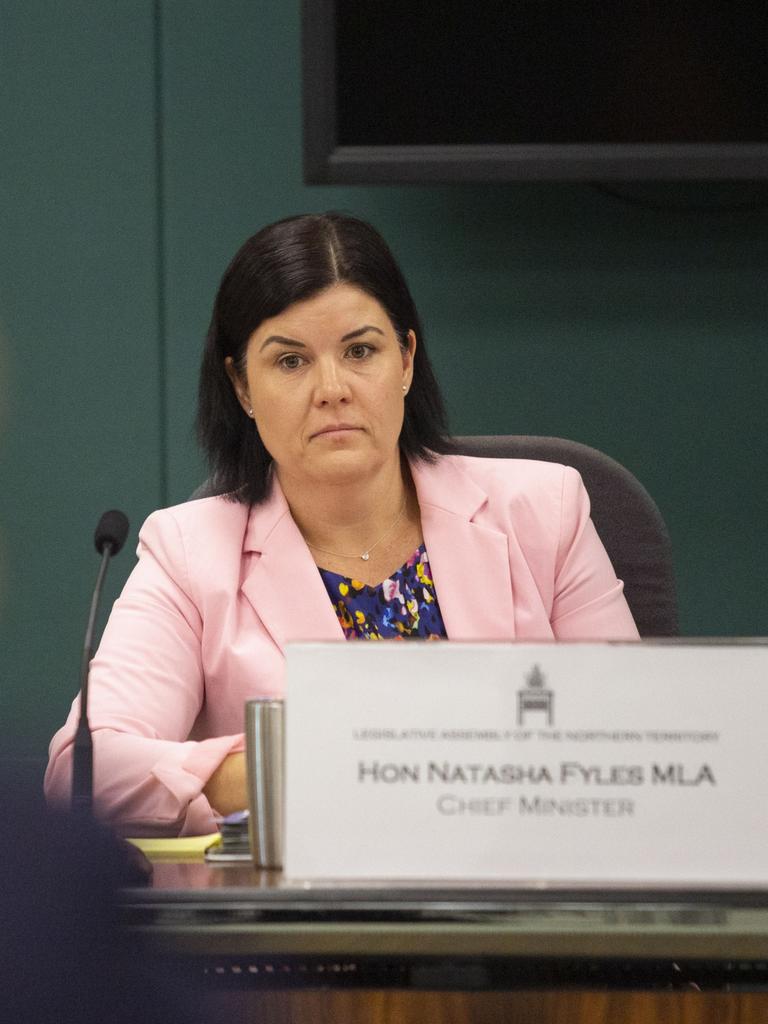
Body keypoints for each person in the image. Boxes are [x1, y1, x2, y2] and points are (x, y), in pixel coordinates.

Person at [46, 212, 639, 836]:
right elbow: (78, 775)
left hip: (530, 900)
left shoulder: (543, 512)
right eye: (291, 361)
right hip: (308, 923)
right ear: (242, 387)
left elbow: (633, 736)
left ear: (405, 361)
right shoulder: (189, 555)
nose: (332, 389)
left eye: (360, 351)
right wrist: (299, 769)